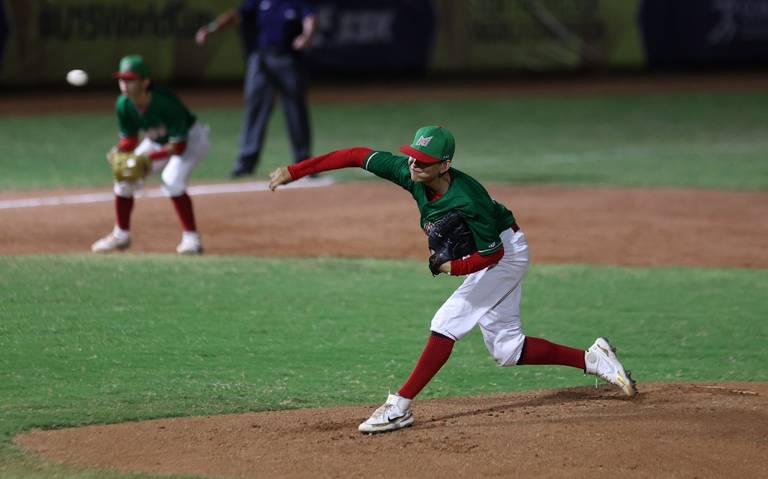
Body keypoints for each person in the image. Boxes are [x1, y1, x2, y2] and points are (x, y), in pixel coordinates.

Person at [268, 125, 637, 434]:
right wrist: (295, 171)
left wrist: (450, 268)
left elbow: (492, 254)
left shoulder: (468, 198)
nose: (414, 164)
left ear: (445, 165)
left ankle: (399, 406)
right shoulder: (408, 172)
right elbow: (354, 154)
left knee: (447, 321)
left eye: (424, 161)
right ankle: (595, 358)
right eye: (413, 155)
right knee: (508, 350)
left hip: (505, 253)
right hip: (494, 254)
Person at [91, 55, 210, 255]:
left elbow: (178, 146)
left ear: (145, 82)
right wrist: (119, 150)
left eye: (130, 79)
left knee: (172, 180)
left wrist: (147, 159)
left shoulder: (166, 103)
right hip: (158, 142)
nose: (124, 84)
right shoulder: (123, 105)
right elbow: (130, 138)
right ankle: (121, 235)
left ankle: (192, 239)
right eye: (122, 79)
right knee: (125, 178)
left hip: (191, 140)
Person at [195, 1, 316, 178]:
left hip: (288, 60)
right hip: (261, 60)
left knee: (296, 111)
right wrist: (211, 29)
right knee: (255, 109)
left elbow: (310, 19)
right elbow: (235, 15)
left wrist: (307, 36)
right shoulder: (259, 1)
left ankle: (304, 162)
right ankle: (245, 163)